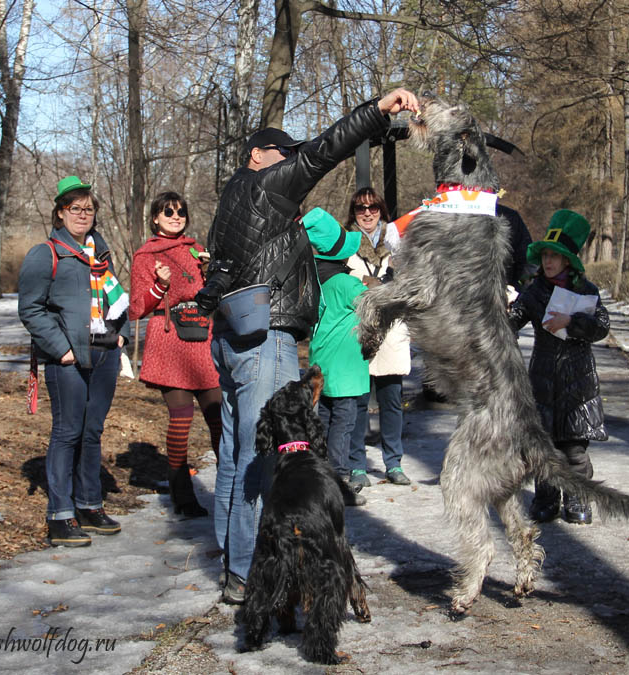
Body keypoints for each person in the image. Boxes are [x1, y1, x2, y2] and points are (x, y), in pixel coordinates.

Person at [202, 88, 419, 604]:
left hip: (229, 338)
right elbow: (326, 148)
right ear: (259, 156)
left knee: (234, 457)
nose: (292, 164)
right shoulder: (266, 186)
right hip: (264, 341)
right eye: (284, 155)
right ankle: (256, 573)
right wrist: (378, 110)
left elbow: (224, 269)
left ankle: (234, 566)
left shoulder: (232, 200)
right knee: (267, 461)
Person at [18, 176, 129, 547]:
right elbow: (31, 309)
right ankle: (60, 514)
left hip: (105, 352)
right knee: (67, 432)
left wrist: (122, 333)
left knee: (92, 431)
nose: (83, 214)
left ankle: (89, 505)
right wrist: (60, 347)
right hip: (68, 358)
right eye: (75, 208)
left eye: (88, 208)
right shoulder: (46, 253)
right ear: (61, 212)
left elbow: (117, 297)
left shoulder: (101, 252)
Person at [507, 210, 610, 525]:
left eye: (555, 256)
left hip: (578, 384)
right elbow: (513, 321)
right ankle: (546, 500)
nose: (548, 261)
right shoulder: (535, 291)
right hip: (542, 381)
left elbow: (602, 326)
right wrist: (499, 315)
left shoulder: (586, 291)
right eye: (545, 255)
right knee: (545, 449)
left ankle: (578, 499)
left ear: (568, 261)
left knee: (575, 451)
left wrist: (573, 322)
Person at [129, 191, 220, 518]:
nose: (175, 216)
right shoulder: (146, 256)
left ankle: (231, 491)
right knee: (181, 421)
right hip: (170, 341)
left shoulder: (199, 251)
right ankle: (184, 497)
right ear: (155, 217)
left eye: (180, 211)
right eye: (168, 212)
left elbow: (213, 294)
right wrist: (159, 286)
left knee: (219, 417)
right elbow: (137, 307)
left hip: (204, 338)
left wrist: (211, 276)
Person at [343, 188, 412, 489]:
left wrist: (386, 282)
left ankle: (393, 463)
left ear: (381, 211)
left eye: (373, 208)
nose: (367, 213)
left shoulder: (397, 242)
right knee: (357, 402)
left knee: (391, 401)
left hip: (391, 329)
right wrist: (364, 283)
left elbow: (411, 279)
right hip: (357, 329)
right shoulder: (344, 243)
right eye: (360, 208)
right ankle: (357, 465)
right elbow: (336, 279)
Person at [302, 208, 371, 485]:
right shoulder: (346, 283)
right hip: (346, 370)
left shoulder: (315, 279)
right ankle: (339, 478)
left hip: (322, 362)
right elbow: (373, 303)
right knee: (344, 424)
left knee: (327, 420)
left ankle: (323, 471)